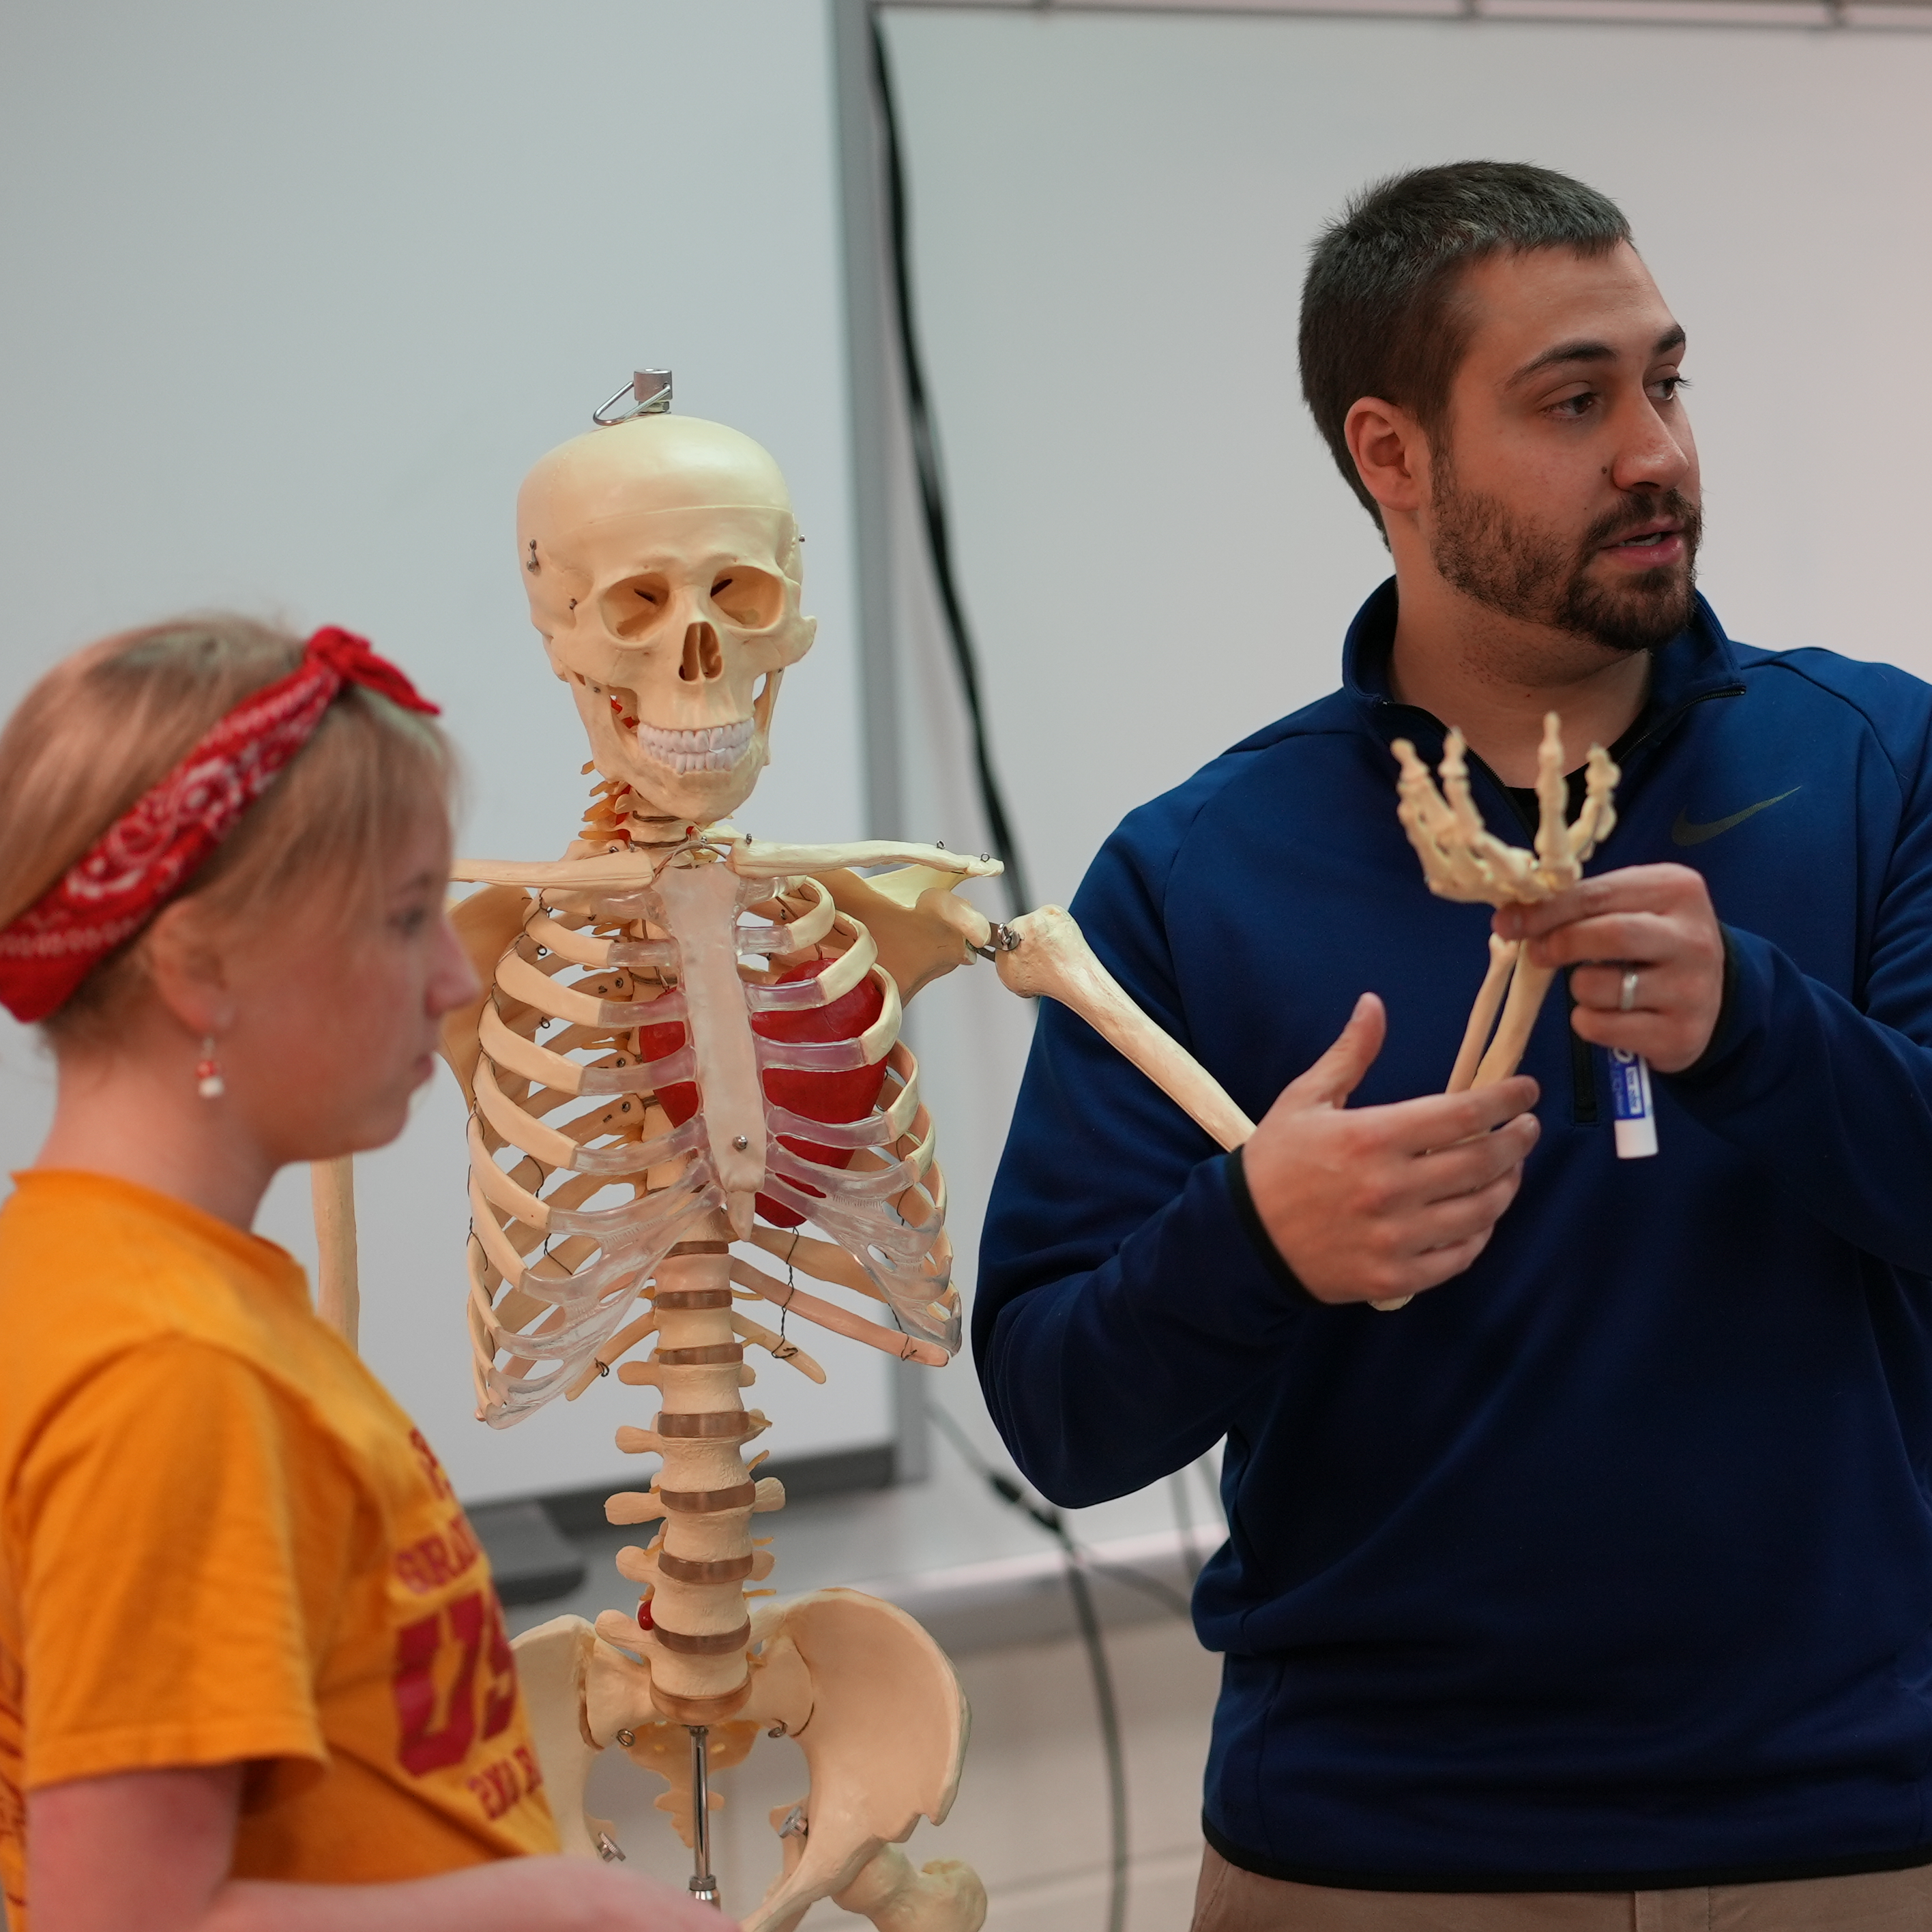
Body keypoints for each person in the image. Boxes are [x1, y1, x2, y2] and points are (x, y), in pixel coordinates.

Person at [976, 162, 1932, 1929]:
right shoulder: (1197, 873)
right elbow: (1056, 1410)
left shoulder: (1880, 771)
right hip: (1375, 1848)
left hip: (1853, 1827)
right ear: (1390, 457)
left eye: (1667, 380)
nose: (1655, 450)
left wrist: (1759, 1034)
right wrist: (1260, 1240)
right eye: (1576, 401)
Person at [0, 617, 722, 1931]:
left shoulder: (90, 1278)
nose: (452, 977)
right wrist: (573, 1913)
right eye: (402, 921)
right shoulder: (171, 1375)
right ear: (198, 965)